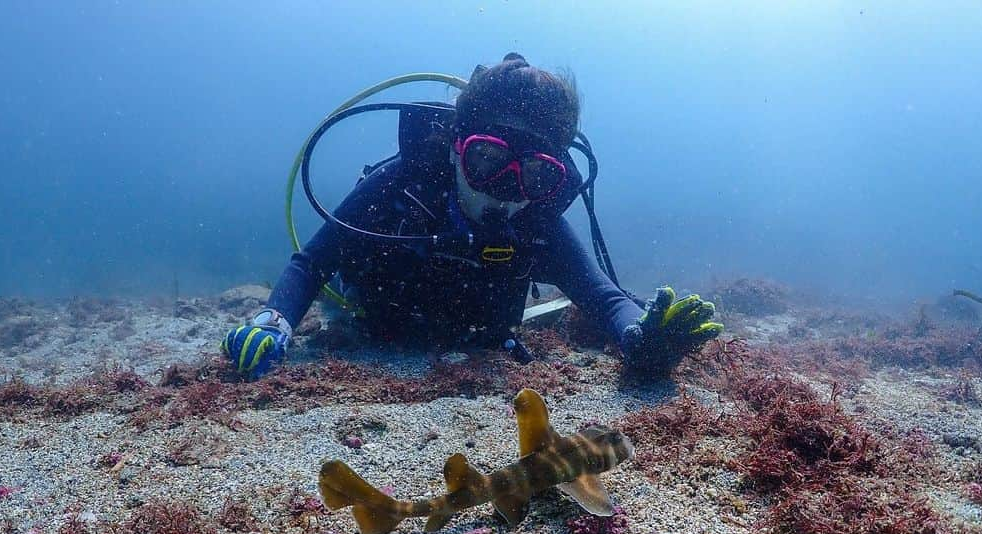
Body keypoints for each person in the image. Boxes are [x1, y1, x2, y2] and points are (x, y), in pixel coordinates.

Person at [223, 53, 722, 379]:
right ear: (455, 147)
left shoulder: (537, 223)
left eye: (535, 175)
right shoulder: (401, 186)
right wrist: (274, 321)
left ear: (555, 178)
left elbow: (604, 297)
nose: (505, 193)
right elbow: (312, 263)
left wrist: (643, 339)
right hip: (370, 320)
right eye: (486, 160)